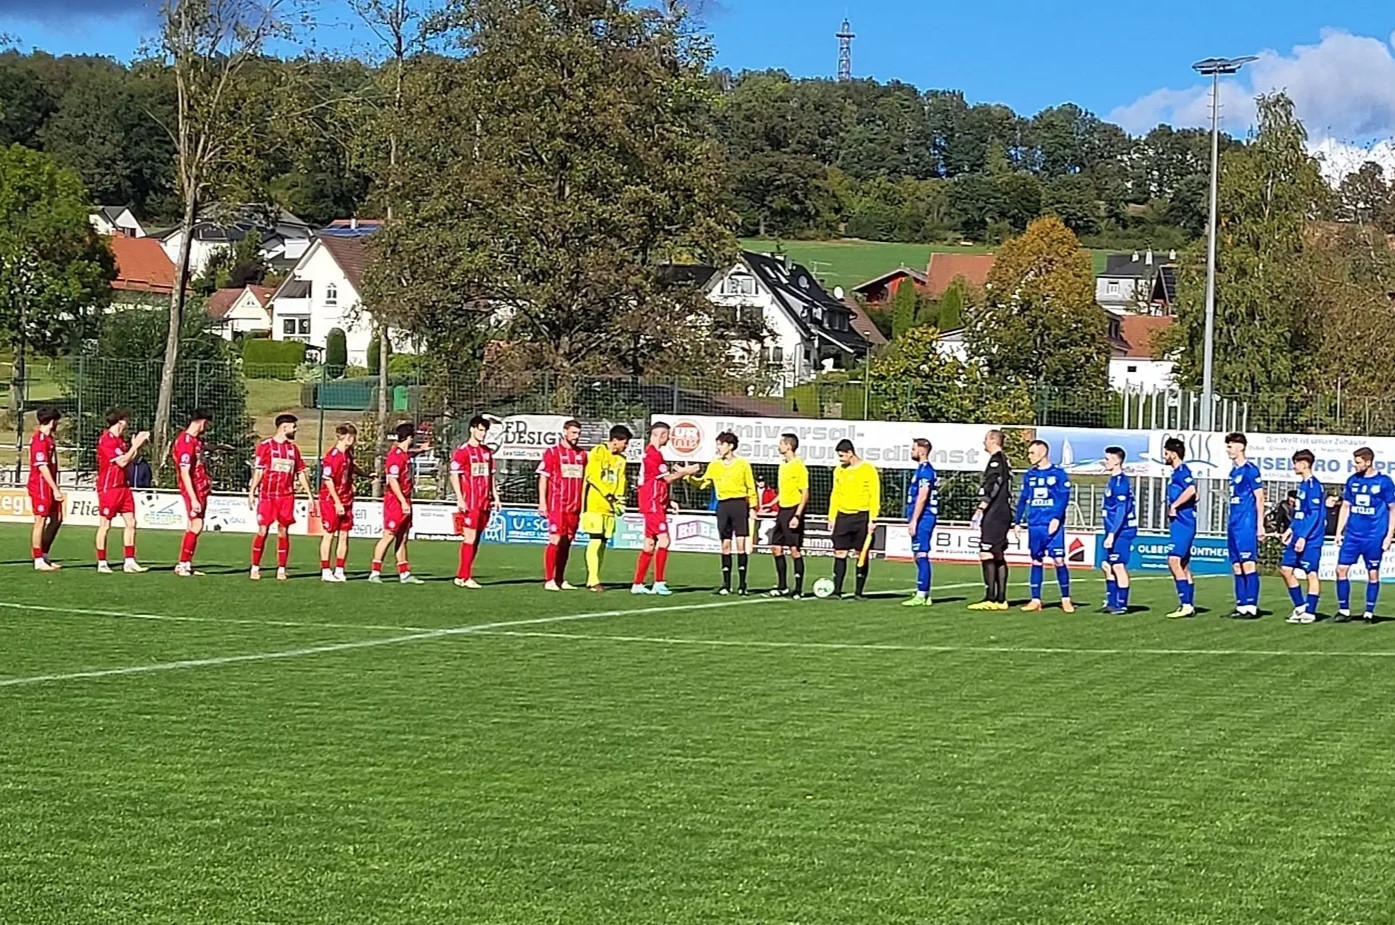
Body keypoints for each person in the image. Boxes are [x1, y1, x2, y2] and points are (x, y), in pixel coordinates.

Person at [632, 422, 699, 596]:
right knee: (664, 540)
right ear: (660, 435)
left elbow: (658, 482)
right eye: (667, 436)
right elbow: (667, 479)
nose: (668, 439)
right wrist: (686, 471)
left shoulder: (650, 453)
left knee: (649, 544)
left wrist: (668, 501)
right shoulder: (654, 455)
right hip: (652, 503)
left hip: (653, 503)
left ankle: (638, 584)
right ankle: (659, 583)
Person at [690, 431, 758, 595]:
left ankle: (742, 585)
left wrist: (753, 507)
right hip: (723, 506)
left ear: (730, 446)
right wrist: (688, 476)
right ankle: (726, 585)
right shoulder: (715, 465)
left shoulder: (742, 464)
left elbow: (751, 487)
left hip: (739, 504)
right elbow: (703, 483)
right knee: (725, 544)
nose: (718, 448)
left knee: (740, 544)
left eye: (721, 444)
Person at [1333, 447, 1395, 623]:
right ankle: (1344, 610)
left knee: (1372, 573)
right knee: (1340, 569)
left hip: (1374, 535)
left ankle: (1369, 612)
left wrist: (1389, 535)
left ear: (1368, 462)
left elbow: (1393, 509)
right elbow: (1346, 506)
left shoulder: (1384, 482)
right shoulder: (1352, 480)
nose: (1355, 465)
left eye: (1358, 462)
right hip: (1353, 535)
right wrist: (1339, 531)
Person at [248, 413, 313, 581]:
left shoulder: (293, 449)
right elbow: (259, 470)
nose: (295, 430)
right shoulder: (265, 446)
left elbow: (300, 472)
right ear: (284, 427)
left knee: (283, 530)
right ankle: (255, 567)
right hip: (267, 495)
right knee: (263, 529)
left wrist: (310, 495)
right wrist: (252, 491)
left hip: (286, 496)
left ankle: (282, 568)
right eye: (293, 427)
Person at [1014, 440, 1074, 613]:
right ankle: (1035, 600)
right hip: (1035, 524)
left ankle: (1066, 599)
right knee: (1036, 560)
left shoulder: (1058, 474)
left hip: (1052, 524)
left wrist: (1056, 518)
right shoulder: (1030, 475)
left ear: (1042, 453)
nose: (1029, 456)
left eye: (1032, 453)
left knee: (1058, 560)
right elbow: (1023, 499)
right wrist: (1017, 522)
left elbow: (1063, 498)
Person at [95, 408, 150, 574]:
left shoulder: (119, 441)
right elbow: (122, 462)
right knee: (105, 525)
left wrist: (136, 448)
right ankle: (102, 562)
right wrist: (135, 445)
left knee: (131, 523)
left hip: (123, 487)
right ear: (120, 421)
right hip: (109, 487)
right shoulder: (107, 440)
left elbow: (129, 459)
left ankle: (129, 561)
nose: (128, 423)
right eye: (126, 420)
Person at [368, 422, 424, 584]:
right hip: (395, 501)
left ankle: (404, 573)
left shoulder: (405, 454)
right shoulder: (395, 456)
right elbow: (392, 480)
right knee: (389, 535)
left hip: (405, 499)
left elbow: (410, 453)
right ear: (410, 438)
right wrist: (402, 502)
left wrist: (422, 450)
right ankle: (374, 572)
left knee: (403, 536)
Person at [450, 415, 501, 589]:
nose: (483, 433)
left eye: (485, 430)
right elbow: (454, 475)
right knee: (469, 538)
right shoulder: (463, 452)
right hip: (470, 501)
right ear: (472, 429)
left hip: (485, 501)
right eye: (480, 430)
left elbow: (490, 476)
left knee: (476, 539)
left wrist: (496, 496)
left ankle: (461, 576)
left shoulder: (487, 452)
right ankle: (466, 577)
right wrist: (460, 498)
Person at [538, 419, 588, 591]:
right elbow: (543, 477)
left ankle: (560, 578)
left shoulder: (582, 455)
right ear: (564, 432)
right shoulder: (552, 452)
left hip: (574, 506)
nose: (576, 436)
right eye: (573, 433)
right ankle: (549, 579)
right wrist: (542, 502)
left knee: (567, 541)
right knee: (555, 538)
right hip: (557, 503)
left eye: (578, 433)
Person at [581, 424, 633, 591]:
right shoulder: (598, 452)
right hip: (595, 504)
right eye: (625, 442)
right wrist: (608, 494)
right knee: (595, 540)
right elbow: (592, 476)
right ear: (615, 440)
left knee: (603, 542)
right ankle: (593, 580)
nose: (626, 446)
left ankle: (595, 576)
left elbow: (621, 480)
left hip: (610, 508)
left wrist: (620, 499)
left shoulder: (621, 460)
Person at [828, 438, 880, 599]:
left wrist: (873, 518)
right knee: (839, 552)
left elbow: (874, 495)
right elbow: (835, 494)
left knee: (861, 553)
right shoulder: (839, 470)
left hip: (862, 516)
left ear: (850, 453)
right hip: (843, 516)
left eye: (842, 455)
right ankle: (837, 591)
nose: (840, 459)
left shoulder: (868, 469)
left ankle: (859, 592)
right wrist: (832, 517)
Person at [969, 429, 1012, 611]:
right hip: (1002, 513)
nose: (983, 443)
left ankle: (991, 598)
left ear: (993, 440)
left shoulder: (996, 460)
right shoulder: (1004, 460)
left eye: (986, 439)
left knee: (986, 552)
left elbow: (994, 484)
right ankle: (1001, 600)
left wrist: (982, 506)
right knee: (997, 553)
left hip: (995, 513)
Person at [1281, 449, 1325, 624]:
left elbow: (1314, 514)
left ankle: (1310, 612)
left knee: (1311, 573)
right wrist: (1291, 530)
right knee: (1286, 569)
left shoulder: (1314, 486)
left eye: (1296, 463)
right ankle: (1300, 607)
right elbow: (1300, 513)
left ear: (1305, 464)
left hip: (1311, 538)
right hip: (1298, 534)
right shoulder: (1303, 485)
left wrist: (1303, 537)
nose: (1294, 466)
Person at [1224, 432, 1265, 619]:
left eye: (1230, 446)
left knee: (1248, 564)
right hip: (1233, 523)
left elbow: (1259, 498)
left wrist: (1260, 525)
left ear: (1240, 447)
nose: (1228, 450)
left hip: (1246, 523)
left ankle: (1251, 606)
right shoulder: (1233, 472)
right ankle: (1241, 606)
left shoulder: (1251, 470)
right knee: (1237, 566)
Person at [318, 423, 363, 583]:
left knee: (344, 534)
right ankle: (325, 570)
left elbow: (351, 468)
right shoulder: (332, 456)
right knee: (329, 534)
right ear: (348, 437)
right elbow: (328, 480)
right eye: (353, 437)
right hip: (331, 500)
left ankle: (339, 569)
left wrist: (365, 475)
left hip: (347, 498)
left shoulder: (347, 454)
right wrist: (337, 502)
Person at [172, 409, 212, 577]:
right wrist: (193, 498)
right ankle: (183, 564)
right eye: (207, 424)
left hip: (200, 487)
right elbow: (184, 471)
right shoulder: (185, 441)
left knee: (194, 525)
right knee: (196, 524)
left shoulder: (196, 441)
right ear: (202, 422)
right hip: (193, 488)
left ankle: (186, 564)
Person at [768, 433, 810, 598]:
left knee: (794, 549)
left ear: (788, 446)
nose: (779, 446)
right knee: (776, 547)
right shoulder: (782, 465)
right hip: (782, 511)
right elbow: (783, 491)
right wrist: (771, 504)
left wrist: (797, 515)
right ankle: (782, 586)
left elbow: (805, 493)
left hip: (793, 510)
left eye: (781, 443)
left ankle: (798, 589)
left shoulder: (799, 466)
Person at [1163, 437, 1199, 619]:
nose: (1164, 456)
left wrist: (1175, 505)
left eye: (1166, 453)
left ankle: (1186, 604)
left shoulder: (1182, 471)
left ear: (1173, 454)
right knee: (1183, 565)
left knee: (1173, 560)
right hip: (1180, 523)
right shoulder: (1176, 473)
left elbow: (1192, 490)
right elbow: (1196, 496)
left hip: (1184, 524)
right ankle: (1188, 605)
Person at [1100, 446, 1138, 615]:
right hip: (1112, 530)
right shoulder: (1113, 481)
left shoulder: (1121, 482)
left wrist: (1112, 534)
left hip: (1122, 531)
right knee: (1107, 565)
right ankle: (1111, 602)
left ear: (1116, 461)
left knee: (1118, 565)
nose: (1105, 462)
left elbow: (1121, 510)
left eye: (1107, 459)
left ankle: (1121, 604)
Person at [27, 407, 64, 571]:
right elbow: (42, 467)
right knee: (40, 520)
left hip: (49, 484)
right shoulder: (39, 439)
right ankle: (38, 559)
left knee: (57, 518)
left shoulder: (49, 439)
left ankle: (44, 554)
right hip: (40, 485)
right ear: (52, 421)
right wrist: (55, 488)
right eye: (57, 421)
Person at [903, 438, 938, 607]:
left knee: (921, 554)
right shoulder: (921, 470)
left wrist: (914, 520)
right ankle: (924, 592)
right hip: (922, 517)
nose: (911, 452)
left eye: (913, 449)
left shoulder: (925, 471)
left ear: (922, 451)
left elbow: (923, 496)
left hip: (924, 517)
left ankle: (922, 594)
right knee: (918, 555)